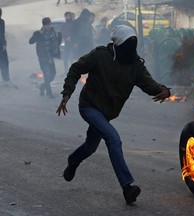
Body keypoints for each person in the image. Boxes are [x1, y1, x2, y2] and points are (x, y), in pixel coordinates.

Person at [56, 25, 171, 204]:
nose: (130, 48)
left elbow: (148, 83)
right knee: (113, 138)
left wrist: (163, 90)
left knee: (90, 146)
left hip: (107, 113)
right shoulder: (100, 55)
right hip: (89, 106)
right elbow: (75, 69)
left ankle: (73, 160)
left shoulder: (135, 65)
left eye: (133, 44)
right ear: (117, 43)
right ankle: (127, 188)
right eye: (127, 44)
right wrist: (66, 93)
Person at [29, 17, 62, 98]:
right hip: (43, 58)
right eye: (46, 25)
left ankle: (42, 86)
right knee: (47, 75)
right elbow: (31, 41)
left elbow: (57, 42)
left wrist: (60, 36)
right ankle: (49, 93)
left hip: (50, 57)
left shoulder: (53, 32)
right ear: (43, 25)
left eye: (49, 25)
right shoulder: (38, 33)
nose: (48, 27)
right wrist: (39, 33)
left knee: (53, 74)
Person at [0, 8, 11, 85]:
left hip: (1, 44)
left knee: (4, 62)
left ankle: (6, 79)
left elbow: (2, 34)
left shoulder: (1, 22)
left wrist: (4, 44)